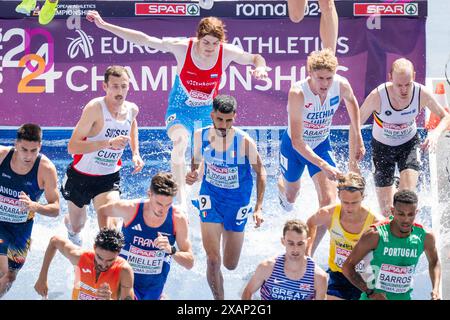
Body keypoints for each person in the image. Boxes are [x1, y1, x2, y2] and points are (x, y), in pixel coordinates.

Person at [86, 11, 268, 209]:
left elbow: (255, 57)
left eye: (215, 44)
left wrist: (260, 68)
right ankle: (180, 201)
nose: (210, 48)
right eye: (206, 42)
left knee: (205, 160)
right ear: (198, 38)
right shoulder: (182, 48)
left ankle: (198, 193)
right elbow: (145, 40)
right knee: (181, 142)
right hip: (180, 110)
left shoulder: (226, 52)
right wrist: (104, 25)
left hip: (207, 112)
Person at [278, 49, 364, 252]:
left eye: (329, 78)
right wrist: (324, 165)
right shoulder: (298, 93)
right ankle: (282, 186)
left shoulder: (340, 85)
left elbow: (352, 103)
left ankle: (308, 253)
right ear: (310, 74)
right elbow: (298, 141)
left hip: (321, 144)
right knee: (291, 196)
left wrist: (358, 136)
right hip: (295, 148)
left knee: (328, 202)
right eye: (320, 78)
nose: (325, 83)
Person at [186, 94, 266, 300]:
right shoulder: (200, 135)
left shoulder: (243, 141)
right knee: (213, 260)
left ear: (235, 117)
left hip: (237, 202)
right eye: (220, 119)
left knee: (230, 265)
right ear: (212, 115)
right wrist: (192, 173)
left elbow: (261, 172)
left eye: (229, 120)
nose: (223, 125)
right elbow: (195, 160)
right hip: (210, 197)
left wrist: (258, 207)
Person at [61, 65, 144, 246]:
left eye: (124, 86)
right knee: (77, 227)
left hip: (108, 178)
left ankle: (103, 265)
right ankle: (70, 225)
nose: (120, 91)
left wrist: (135, 153)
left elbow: (132, 125)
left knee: (110, 230)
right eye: (115, 86)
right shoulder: (95, 109)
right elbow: (72, 147)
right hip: (80, 177)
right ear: (105, 86)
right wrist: (108, 143)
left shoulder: (132, 109)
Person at [357, 58, 450, 216]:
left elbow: (445, 116)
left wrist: (435, 133)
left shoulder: (421, 93)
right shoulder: (378, 96)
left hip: (408, 146)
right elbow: (355, 122)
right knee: (387, 212)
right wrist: (357, 148)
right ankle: (394, 185)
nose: (404, 90)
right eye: (399, 85)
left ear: (413, 76)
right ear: (390, 78)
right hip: (382, 149)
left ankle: (402, 187)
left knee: (405, 200)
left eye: (408, 84)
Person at [97, 172, 194, 300]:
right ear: (149, 194)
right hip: (124, 279)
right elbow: (102, 211)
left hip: (154, 288)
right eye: (159, 204)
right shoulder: (131, 209)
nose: (163, 210)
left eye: (168, 205)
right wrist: (107, 242)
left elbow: (189, 262)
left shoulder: (178, 219)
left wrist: (171, 250)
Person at [342, 190, 441, 300]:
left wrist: (436, 289)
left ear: (416, 212)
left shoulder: (425, 236)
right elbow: (347, 267)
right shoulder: (375, 234)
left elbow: (434, 261)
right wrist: (370, 292)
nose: (406, 220)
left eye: (410, 214)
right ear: (392, 211)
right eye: (401, 214)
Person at [0, 123, 59, 298]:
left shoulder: (46, 169)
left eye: (33, 151)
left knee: (10, 276)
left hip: (21, 229)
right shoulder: (2, 156)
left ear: (39, 147)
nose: (28, 156)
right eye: (24, 149)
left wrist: (36, 207)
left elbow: (55, 208)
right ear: (15, 144)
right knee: (2, 271)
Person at [306, 172, 381, 299]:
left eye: (354, 202)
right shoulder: (328, 213)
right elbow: (311, 223)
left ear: (363, 197)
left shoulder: (375, 222)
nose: (349, 207)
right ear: (339, 196)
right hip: (338, 275)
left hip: (364, 278)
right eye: (345, 202)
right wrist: (307, 255)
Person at [34, 228, 134, 300]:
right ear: (94, 247)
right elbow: (54, 241)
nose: (103, 264)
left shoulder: (124, 271)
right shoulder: (79, 257)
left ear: (118, 253)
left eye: (110, 260)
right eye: (99, 257)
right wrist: (42, 277)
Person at [242, 219, 327, 300]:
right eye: (291, 243)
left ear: (308, 242)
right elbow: (247, 292)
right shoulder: (267, 268)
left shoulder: (318, 277)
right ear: (283, 241)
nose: (295, 249)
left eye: (300, 244)